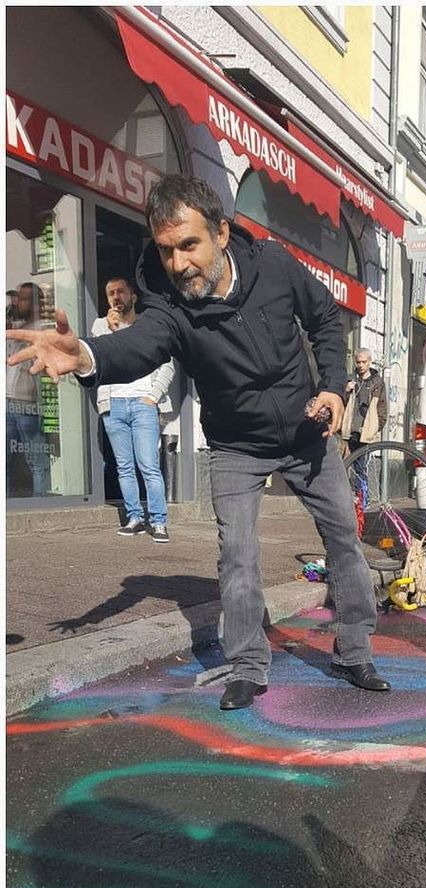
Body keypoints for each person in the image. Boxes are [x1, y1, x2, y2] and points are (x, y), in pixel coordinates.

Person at [6, 174, 389, 710]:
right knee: (238, 554)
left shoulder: (274, 265)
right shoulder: (169, 305)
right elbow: (140, 346)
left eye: (189, 245)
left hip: (308, 431)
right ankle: (248, 666)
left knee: (344, 539)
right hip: (236, 446)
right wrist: (88, 356)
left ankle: (355, 651)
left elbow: (326, 318)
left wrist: (331, 385)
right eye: (166, 250)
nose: (179, 263)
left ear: (221, 233)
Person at [92, 277, 175, 542]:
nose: (116, 297)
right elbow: (99, 357)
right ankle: (135, 518)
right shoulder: (100, 326)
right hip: (113, 405)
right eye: (110, 293)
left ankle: (159, 521)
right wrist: (111, 327)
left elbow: (168, 366)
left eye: (121, 292)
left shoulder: (147, 328)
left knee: (148, 465)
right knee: (124, 467)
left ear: (133, 297)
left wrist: (152, 396)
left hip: (142, 403)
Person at [6, 282, 51, 497]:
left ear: (35, 303)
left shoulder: (42, 329)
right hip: (8, 401)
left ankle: (41, 503)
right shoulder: (17, 329)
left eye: (23, 299)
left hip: (27, 403)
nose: (18, 303)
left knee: (36, 460)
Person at [340, 347, 387, 489]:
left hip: (365, 433)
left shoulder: (377, 383)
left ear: (369, 362)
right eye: (358, 362)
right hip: (349, 431)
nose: (361, 365)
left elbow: (382, 408)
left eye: (364, 362)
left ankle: (361, 498)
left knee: (361, 468)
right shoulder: (350, 380)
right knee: (343, 467)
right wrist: (346, 391)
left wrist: (375, 428)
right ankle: (349, 497)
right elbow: (340, 403)